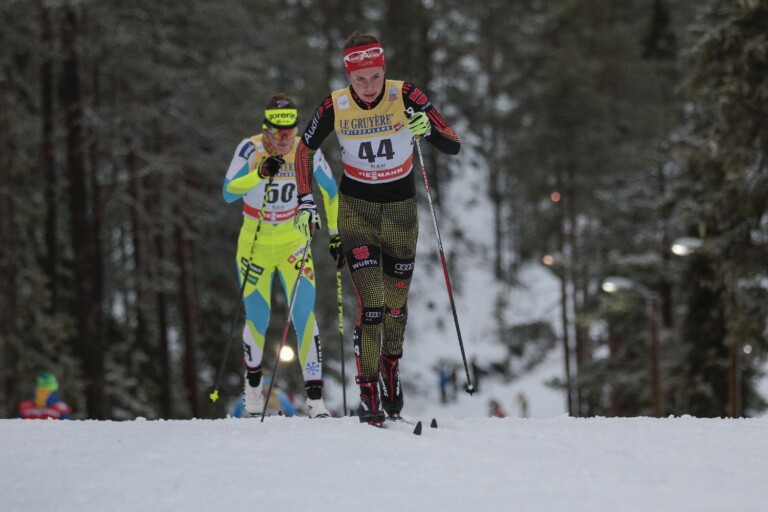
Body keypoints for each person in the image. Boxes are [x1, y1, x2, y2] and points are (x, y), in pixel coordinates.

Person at [293, 32, 461, 426]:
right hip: (357, 210)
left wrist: (427, 129)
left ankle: (390, 368)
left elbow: (453, 143)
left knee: (395, 307)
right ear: (348, 77)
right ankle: (368, 392)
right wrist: (305, 200)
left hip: (401, 212)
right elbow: (303, 150)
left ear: (384, 69)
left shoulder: (407, 95)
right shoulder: (334, 105)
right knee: (372, 304)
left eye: (374, 76)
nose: (368, 86)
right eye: (359, 79)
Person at [223, 93, 343, 419]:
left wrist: (335, 234)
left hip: (293, 241)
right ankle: (252, 392)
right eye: (277, 132)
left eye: (290, 130)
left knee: (304, 314)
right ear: (266, 129)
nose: (284, 138)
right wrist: (259, 173)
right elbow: (228, 191)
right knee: (258, 317)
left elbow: (331, 190)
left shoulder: (306, 150)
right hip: (256, 242)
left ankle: (315, 401)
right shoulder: (250, 149)